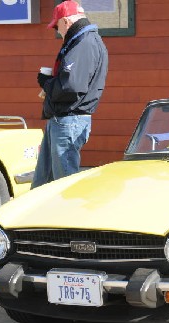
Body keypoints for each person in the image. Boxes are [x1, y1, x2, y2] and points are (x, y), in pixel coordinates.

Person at [32, 0, 108, 189]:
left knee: (64, 187)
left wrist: (46, 83)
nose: (57, 31)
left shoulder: (84, 43)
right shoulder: (85, 41)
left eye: (57, 26)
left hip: (68, 121)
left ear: (66, 21)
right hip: (64, 120)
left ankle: (69, 218)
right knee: (43, 185)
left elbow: (70, 87)